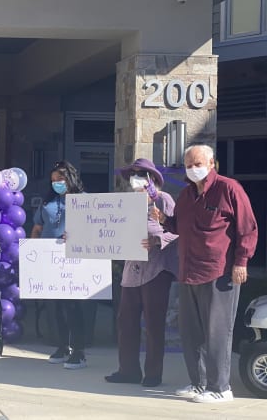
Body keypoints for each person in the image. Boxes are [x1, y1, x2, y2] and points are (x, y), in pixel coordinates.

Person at [152, 143, 258, 403]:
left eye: (198, 164)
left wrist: (241, 262)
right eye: (188, 165)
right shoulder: (187, 195)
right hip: (188, 270)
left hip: (219, 272)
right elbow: (179, 226)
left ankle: (221, 388)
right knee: (191, 332)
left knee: (217, 331)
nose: (193, 169)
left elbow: (248, 229)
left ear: (211, 164)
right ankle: (198, 383)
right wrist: (164, 220)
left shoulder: (229, 188)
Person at [104, 158, 179, 387]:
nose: (136, 178)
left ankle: (153, 374)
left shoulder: (164, 200)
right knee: (126, 322)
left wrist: (157, 240)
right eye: (133, 174)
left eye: (141, 174)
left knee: (154, 324)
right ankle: (128, 370)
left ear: (153, 178)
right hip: (131, 271)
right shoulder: (125, 204)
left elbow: (179, 231)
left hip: (156, 270)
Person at [30, 160, 89, 369]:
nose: (57, 184)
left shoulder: (85, 201)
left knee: (73, 306)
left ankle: (79, 350)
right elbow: (37, 228)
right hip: (49, 259)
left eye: (60, 180)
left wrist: (77, 235)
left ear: (70, 179)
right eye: (53, 180)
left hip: (74, 261)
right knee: (55, 306)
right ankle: (62, 345)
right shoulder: (48, 202)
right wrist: (33, 252)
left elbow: (95, 229)